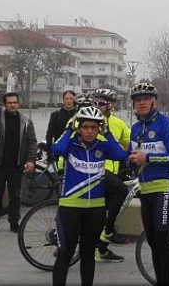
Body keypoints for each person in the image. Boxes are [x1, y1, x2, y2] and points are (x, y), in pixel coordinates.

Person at [52, 106, 130, 286]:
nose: (89, 131)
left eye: (94, 127)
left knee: (87, 255)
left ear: (98, 129)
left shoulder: (102, 146)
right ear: (79, 127)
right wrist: (69, 128)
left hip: (95, 209)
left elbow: (120, 155)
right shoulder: (71, 145)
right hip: (70, 208)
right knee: (65, 254)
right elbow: (57, 150)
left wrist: (108, 133)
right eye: (85, 127)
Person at [129, 82, 169, 286]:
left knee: (162, 238)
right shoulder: (135, 129)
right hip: (145, 189)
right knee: (153, 241)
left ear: (154, 101)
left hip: (166, 187)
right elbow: (132, 157)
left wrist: (148, 158)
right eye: (138, 99)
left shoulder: (167, 124)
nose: (142, 102)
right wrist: (130, 160)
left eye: (146, 98)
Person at [0, 92, 37, 232]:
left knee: (15, 196)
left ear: (18, 104)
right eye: (9, 103)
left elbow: (32, 141)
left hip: (16, 164)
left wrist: (30, 160)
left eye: (14, 102)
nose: (12, 105)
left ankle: (14, 222)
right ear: (5, 104)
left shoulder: (26, 121)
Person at [92, 88, 131, 263]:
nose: (97, 106)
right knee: (122, 190)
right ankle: (109, 231)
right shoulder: (88, 121)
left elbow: (130, 144)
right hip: (96, 169)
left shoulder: (119, 124)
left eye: (101, 103)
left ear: (110, 106)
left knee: (103, 211)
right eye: (94, 103)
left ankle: (101, 250)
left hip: (112, 173)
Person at [45, 90, 77, 161]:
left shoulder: (78, 115)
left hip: (75, 150)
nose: (69, 101)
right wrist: (49, 151)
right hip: (59, 150)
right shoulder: (56, 115)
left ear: (74, 100)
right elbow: (49, 133)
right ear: (63, 100)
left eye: (71, 99)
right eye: (66, 98)